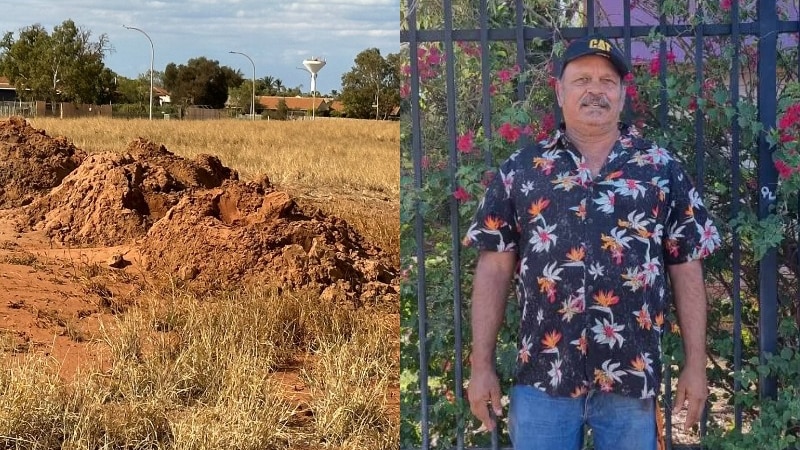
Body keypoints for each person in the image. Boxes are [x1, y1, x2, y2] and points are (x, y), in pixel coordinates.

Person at [463, 34, 720, 450]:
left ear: (621, 95)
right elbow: (494, 267)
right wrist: (481, 366)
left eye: (607, 81)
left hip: (630, 383)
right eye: (582, 79)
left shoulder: (661, 169)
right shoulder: (522, 171)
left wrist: (696, 365)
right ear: (560, 91)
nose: (595, 90)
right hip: (542, 380)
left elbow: (686, 266)